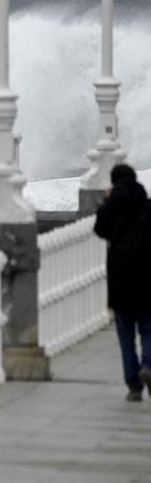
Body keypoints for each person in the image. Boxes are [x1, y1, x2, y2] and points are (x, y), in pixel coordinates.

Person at [92, 163, 151, 401]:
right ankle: (148, 364)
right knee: (148, 329)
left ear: (114, 182)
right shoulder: (148, 206)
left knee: (125, 336)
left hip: (121, 280)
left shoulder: (112, 207)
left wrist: (108, 203)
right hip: (147, 280)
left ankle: (134, 385)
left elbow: (100, 229)